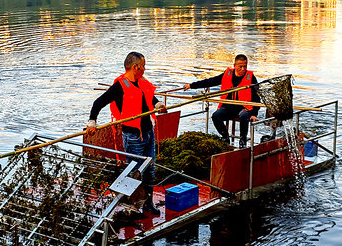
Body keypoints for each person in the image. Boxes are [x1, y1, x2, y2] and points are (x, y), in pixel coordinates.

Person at [88, 52, 166, 215]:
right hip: (133, 136)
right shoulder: (120, 86)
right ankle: (133, 206)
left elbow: (150, 97)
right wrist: (92, 122)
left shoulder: (142, 81)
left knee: (150, 170)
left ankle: (148, 204)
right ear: (136, 66)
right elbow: (98, 102)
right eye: (143, 65)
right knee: (136, 171)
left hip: (148, 132)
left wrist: (157, 104)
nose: (144, 69)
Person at [182, 54, 261, 148]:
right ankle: (225, 137)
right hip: (228, 107)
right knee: (216, 116)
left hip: (243, 108)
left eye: (245, 66)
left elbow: (257, 98)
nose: (243, 69)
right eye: (240, 66)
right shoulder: (226, 74)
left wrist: (254, 114)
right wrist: (192, 85)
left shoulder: (251, 78)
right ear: (234, 65)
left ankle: (243, 140)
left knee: (243, 115)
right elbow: (210, 81)